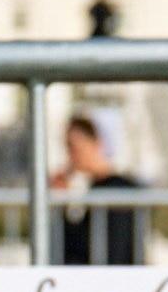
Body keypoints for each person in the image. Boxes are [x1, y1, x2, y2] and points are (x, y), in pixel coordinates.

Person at [51, 109, 143, 265]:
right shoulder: (102, 187)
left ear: (96, 143)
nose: (70, 156)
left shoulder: (116, 189)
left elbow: (99, 247)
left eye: (73, 147)